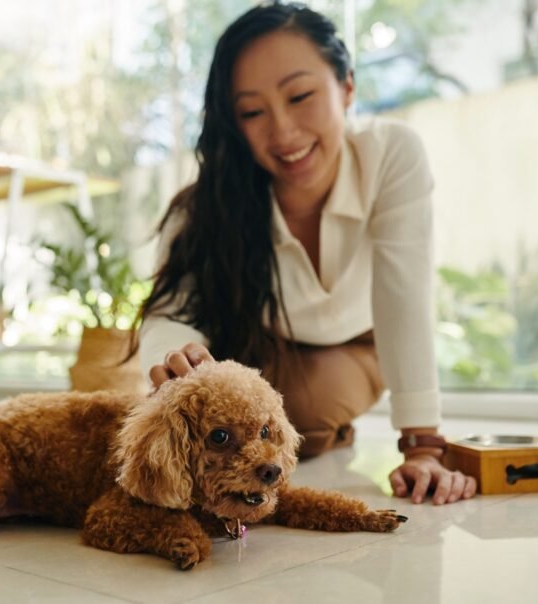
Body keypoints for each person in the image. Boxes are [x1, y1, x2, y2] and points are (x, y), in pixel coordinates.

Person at [134, 1, 476, 506]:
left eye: (301, 96)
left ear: (347, 87)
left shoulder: (392, 154)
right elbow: (170, 314)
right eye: (252, 112)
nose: (283, 132)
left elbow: (404, 295)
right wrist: (178, 358)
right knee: (215, 413)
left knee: (308, 405)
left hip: (361, 343)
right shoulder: (205, 208)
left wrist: (423, 446)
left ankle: (323, 426)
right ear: (233, 122)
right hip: (259, 344)